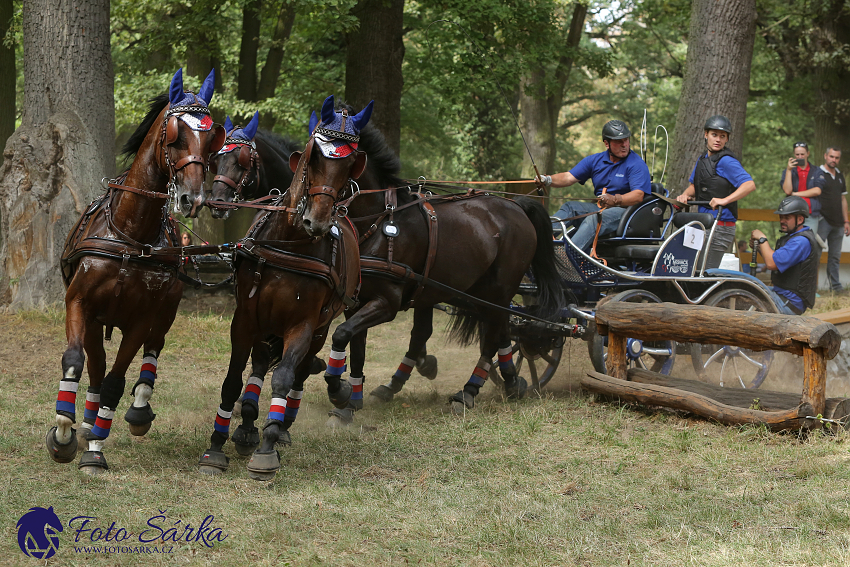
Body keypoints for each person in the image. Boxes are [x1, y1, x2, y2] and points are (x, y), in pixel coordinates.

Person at [537, 120, 651, 251]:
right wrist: (547, 179)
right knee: (570, 207)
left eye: (626, 140)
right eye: (619, 141)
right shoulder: (595, 160)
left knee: (594, 219)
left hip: (626, 212)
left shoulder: (636, 164)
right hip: (600, 208)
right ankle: (539, 243)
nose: (624, 145)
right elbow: (568, 177)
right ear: (607, 143)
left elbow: (638, 195)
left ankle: (566, 257)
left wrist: (615, 199)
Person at [676, 115, 756, 269]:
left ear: (727, 139)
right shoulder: (702, 159)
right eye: (714, 135)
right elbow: (695, 186)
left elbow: (749, 185)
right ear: (706, 134)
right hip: (702, 225)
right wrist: (685, 195)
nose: (718, 139)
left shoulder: (727, 161)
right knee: (689, 269)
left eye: (722, 136)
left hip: (720, 226)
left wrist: (724, 200)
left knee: (704, 272)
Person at [750, 196, 821, 315]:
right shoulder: (792, 238)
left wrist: (762, 239)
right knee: (747, 292)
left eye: (787, 218)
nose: (782, 221)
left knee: (746, 298)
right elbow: (774, 259)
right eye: (781, 217)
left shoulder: (800, 242)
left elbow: (771, 264)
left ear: (800, 219)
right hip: (781, 295)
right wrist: (759, 248)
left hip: (788, 303)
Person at [809, 147, 847, 291]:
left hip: (839, 223)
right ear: (825, 156)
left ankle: (835, 287)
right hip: (822, 220)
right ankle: (811, 287)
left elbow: (843, 199)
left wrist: (846, 221)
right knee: (815, 255)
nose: (833, 160)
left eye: (836, 157)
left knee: (835, 257)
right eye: (831, 156)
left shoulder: (840, 175)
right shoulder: (817, 173)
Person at [780, 141, 820, 230]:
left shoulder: (816, 170)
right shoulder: (788, 171)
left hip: (810, 213)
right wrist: (789, 170)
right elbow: (787, 191)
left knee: (809, 237)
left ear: (808, 154)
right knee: (792, 237)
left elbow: (817, 191)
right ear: (794, 155)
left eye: (802, 154)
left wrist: (795, 194)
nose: (800, 157)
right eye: (797, 155)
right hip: (792, 213)